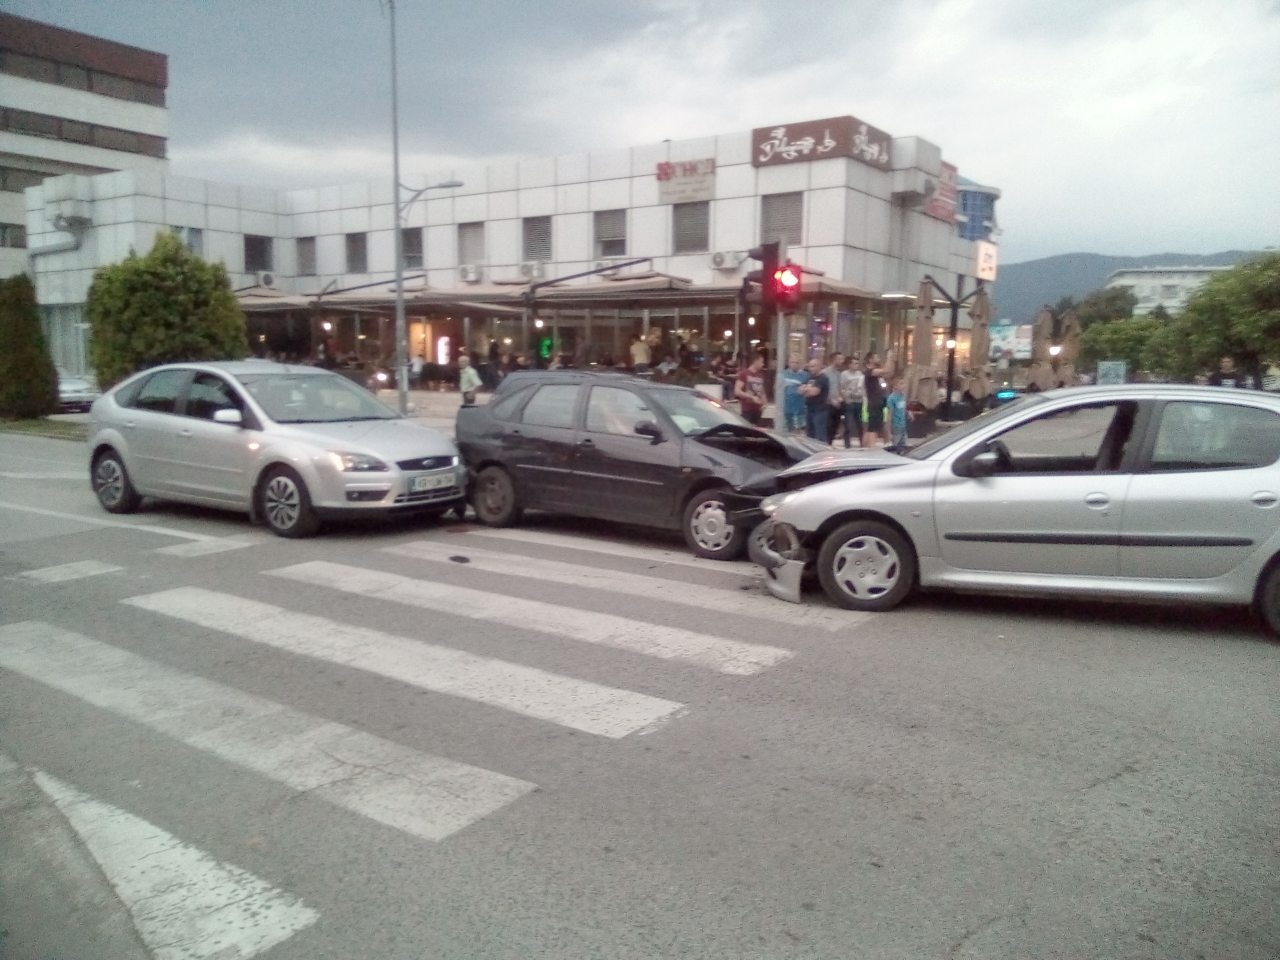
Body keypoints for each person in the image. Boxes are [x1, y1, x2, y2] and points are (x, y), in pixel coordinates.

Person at [836, 356, 866, 448]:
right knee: (848, 423)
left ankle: (862, 442)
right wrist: (845, 398)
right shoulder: (844, 374)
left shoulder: (860, 374)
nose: (856, 365)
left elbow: (862, 386)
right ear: (849, 364)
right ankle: (847, 444)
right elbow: (842, 387)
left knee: (860, 423)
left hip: (858, 400)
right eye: (854, 363)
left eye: (857, 363)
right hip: (849, 401)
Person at [799, 357, 830, 441]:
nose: (811, 369)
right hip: (809, 409)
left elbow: (815, 392)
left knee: (819, 435)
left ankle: (822, 452)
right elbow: (799, 390)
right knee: (809, 434)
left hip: (820, 410)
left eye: (813, 366)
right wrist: (807, 390)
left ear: (819, 366)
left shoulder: (823, 378)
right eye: (810, 366)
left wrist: (806, 390)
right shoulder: (809, 378)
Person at [734, 354, 767, 425]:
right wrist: (751, 397)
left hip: (758, 409)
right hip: (747, 409)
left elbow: (762, 390)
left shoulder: (760, 375)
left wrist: (764, 403)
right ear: (755, 361)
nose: (763, 364)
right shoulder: (744, 374)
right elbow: (737, 391)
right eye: (761, 362)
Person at [862, 354, 887, 447]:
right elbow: (886, 370)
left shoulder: (875, 373)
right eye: (876, 357)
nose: (879, 359)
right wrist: (889, 357)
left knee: (871, 428)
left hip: (877, 402)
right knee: (873, 428)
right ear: (870, 360)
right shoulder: (869, 371)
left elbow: (888, 372)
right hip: (874, 403)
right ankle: (871, 448)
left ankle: (865, 447)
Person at [885, 375, 913, 452]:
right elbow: (889, 415)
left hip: (903, 425)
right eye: (901, 383)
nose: (904, 385)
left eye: (904, 383)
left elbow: (903, 408)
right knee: (895, 445)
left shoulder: (903, 396)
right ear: (895, 386)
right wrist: (889, 432)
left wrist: (908, 412)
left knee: (903, 445)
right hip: (896, 426)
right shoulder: (891, 398)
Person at [822, 352, 845, 442]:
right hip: (827, 404)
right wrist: (831, 400)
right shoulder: (825, 373)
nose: (841, 361)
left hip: (837, 404)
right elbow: (824, 390)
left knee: (835, 427)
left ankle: (830, 443)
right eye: (839, 359)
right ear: (834, 360)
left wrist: (840, 397)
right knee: (828, 427)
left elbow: (839, 388)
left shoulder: (839, 374)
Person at [781, 356, 808, 433]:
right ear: (788, 363)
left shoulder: (805, 375)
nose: (794, 364)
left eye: (797, 362)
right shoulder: (783, 373)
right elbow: (777, 388)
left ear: (800, 364)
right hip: (785, 407)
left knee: (797, 432)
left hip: (799, 408)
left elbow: (808, 389)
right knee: (785, 432)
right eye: (792, 362)